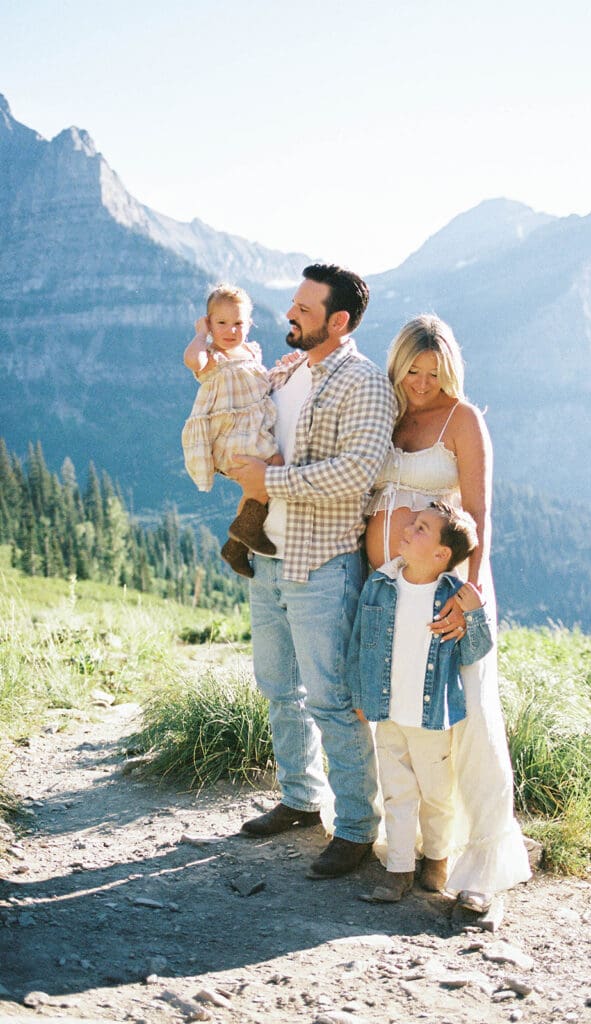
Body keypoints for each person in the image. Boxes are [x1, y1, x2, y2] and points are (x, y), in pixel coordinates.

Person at [230, 264, 397, 880]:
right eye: (294, 305)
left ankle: (356, 827)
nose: (290, 315)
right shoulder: (288, 369)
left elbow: (356, 474)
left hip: (322, 561)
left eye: (304, 308)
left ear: (340, 321)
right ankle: (301, 800)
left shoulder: (365, 383)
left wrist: (266, 479)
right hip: (269, 554)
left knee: (331, 698)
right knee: (279, 687)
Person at [365, 314, 531, 910]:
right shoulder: (384, 411)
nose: (422, 381)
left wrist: (472, 593)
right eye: (413, 368)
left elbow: (480, 515)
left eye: (434, 372)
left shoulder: (464, 420)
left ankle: (481, 866)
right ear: (397, 362)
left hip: (446, 595)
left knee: (469, 723)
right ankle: (401, 846)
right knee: (394, 722)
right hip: (386, 593)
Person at [347, 502, 494, 902]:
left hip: (432, 717)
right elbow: (359, 644)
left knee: (436, 793)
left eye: (422, 528)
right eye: (413, 523)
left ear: (441, 554)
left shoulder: (453, 598)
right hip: (389, 711)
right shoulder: (380, 584)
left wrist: (476, 612)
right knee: (396, 791)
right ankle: (398, 869)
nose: (409, 528)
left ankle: (436, 857)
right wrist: (360, 695)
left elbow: (476, 651)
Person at [181, 284, 283, 578]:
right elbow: (192, 360)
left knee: (273, 470)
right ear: (210, 323)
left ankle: (237, 544)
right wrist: (201, 335)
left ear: (249, 325)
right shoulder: (211, 357)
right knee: (266, 476)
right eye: (221, 323)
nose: (230, 330)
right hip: (231, 438)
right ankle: (243, 535)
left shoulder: (250, 352)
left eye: (238, 323)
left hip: (253, 433)